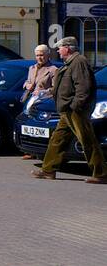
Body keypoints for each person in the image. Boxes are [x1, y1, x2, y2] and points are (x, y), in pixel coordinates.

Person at [33, 37, 105, 183]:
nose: (58, 51)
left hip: (75, 111)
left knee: (87, 140)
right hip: (67, 110)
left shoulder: (79, 62)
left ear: (68, 48)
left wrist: (75, 106)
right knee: (58, 139)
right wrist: (49, 92)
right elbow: (65, 86)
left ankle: (101, 173)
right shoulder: (70, 63)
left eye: (60, 48)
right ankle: (48, 170)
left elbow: (83, 88)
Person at [20, 44, 58, 159]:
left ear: (48, 55)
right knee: (28, 125)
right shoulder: (32, 68)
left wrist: (43, 92)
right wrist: (27, 85)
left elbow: (55, 88)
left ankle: (41, 151)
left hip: (43, 102)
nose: (39, 58)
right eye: (37, 55)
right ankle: (30, 150)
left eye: (42, 55)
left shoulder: (53, 70)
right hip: (30, 100)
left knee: (39, 127)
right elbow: (27, 81)